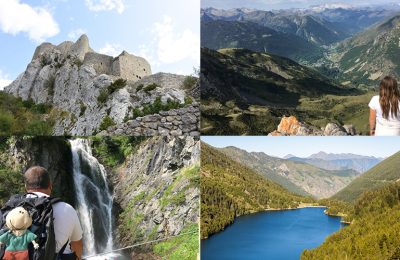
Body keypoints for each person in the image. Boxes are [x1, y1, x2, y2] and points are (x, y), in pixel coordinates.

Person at [24, 166, 83, 260]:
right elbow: (77, 244)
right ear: (50, 185)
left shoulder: (11, 208)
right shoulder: (67, 209)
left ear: (26, 187)